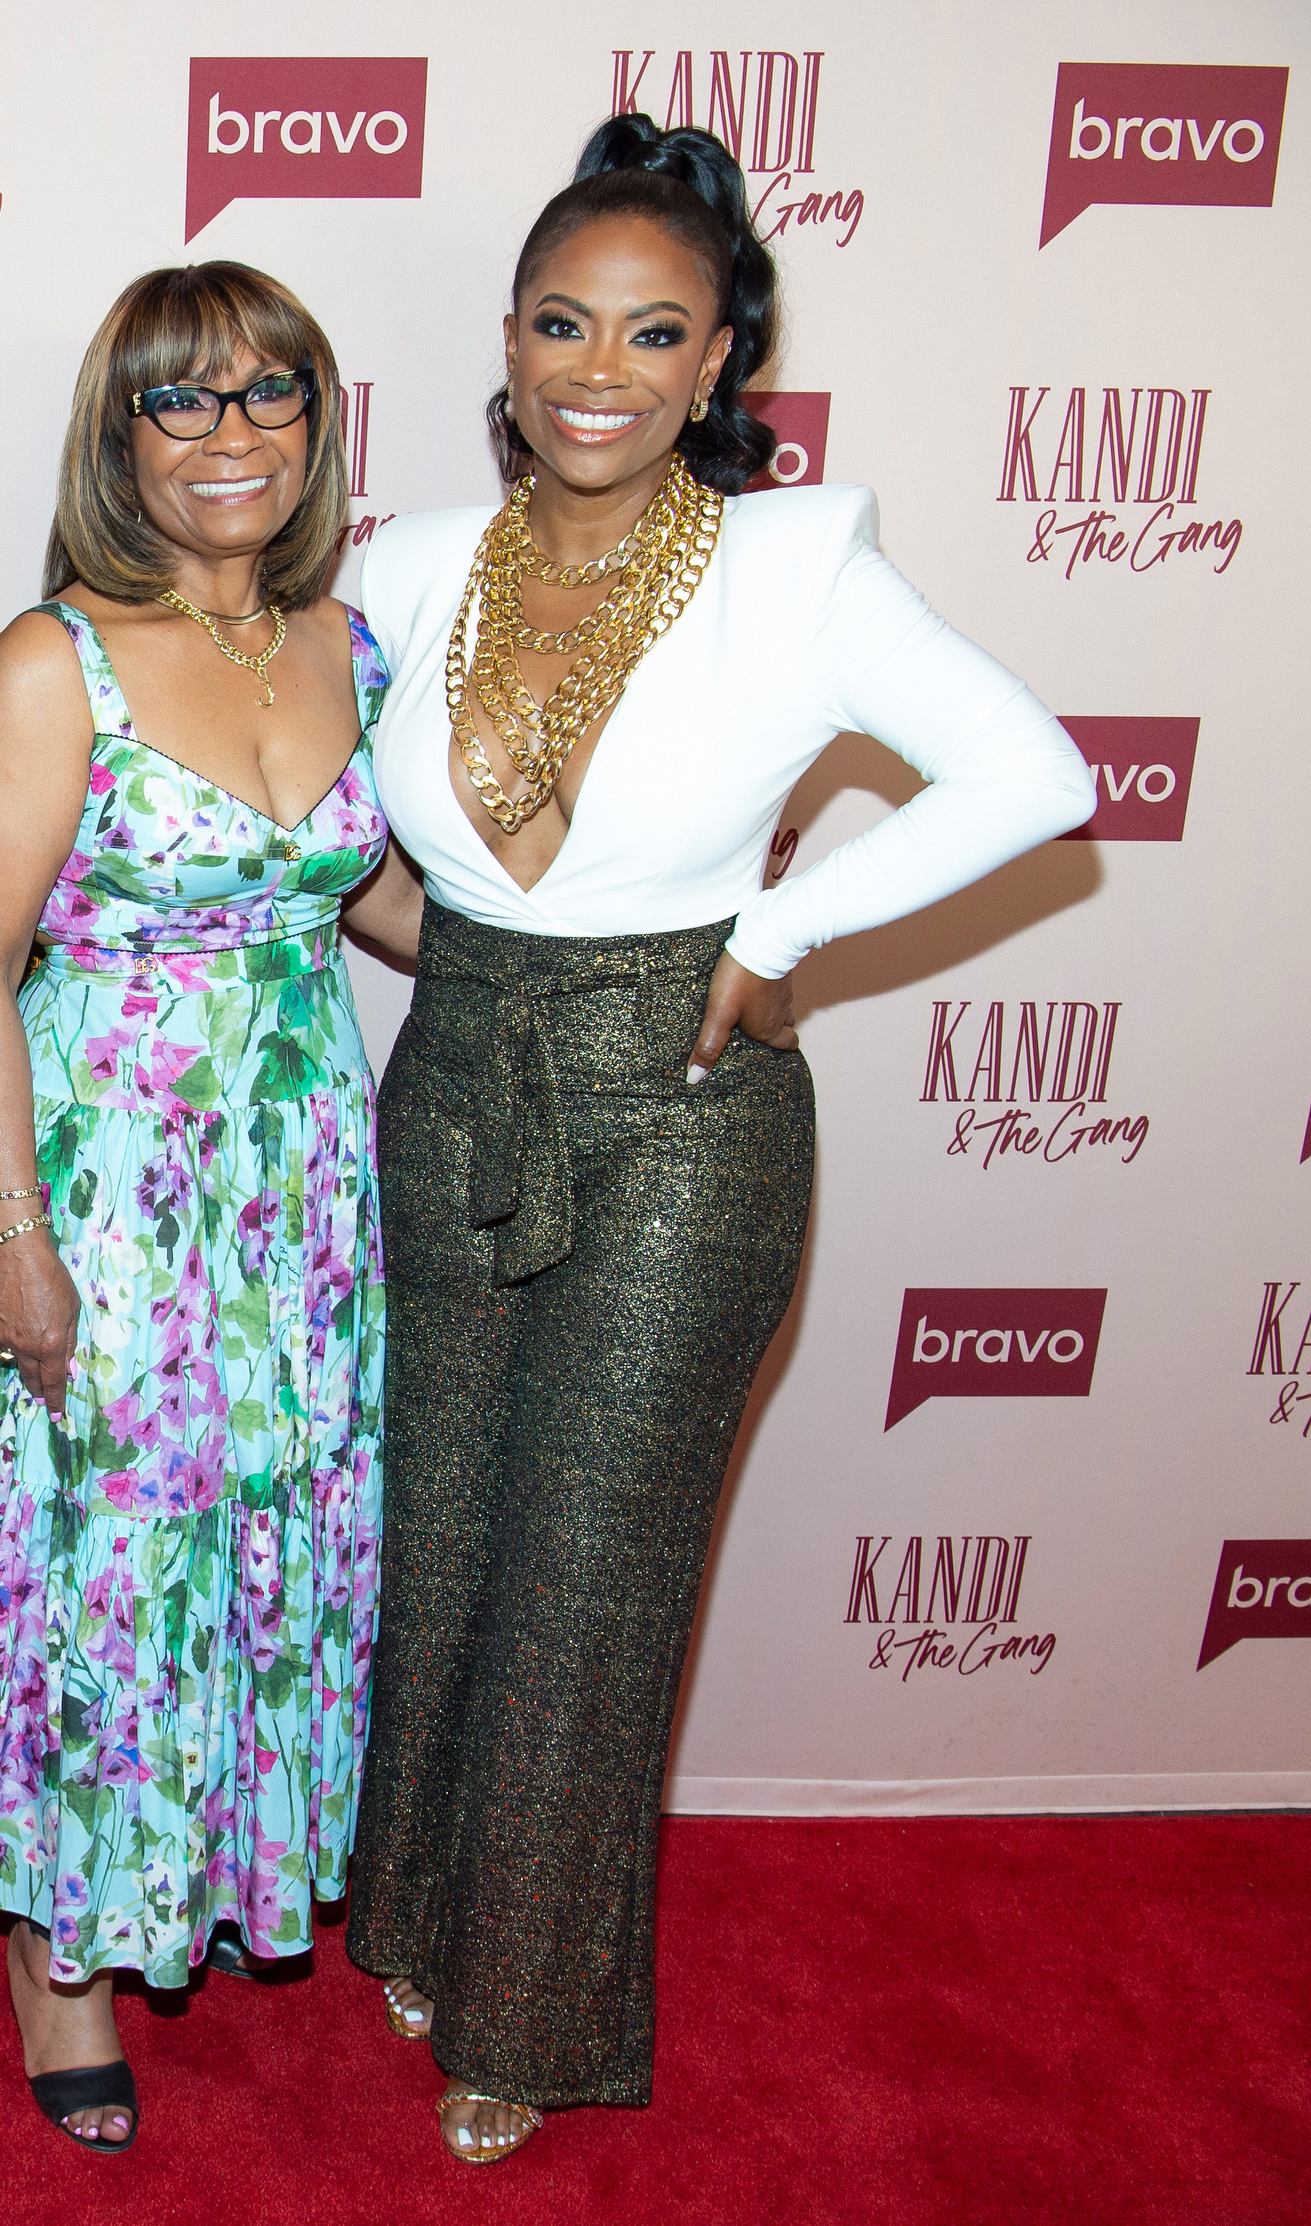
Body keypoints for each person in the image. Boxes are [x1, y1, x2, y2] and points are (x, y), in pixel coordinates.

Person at [342, 117, 1095, 2164]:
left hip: (684, 1123)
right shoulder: (409, 566)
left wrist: (782, 931)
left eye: (651, 332)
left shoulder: (791, 563)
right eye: (563, 320)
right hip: (459, 1075)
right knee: (446, 1535)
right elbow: (313, 816)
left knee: (590, 1569)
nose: (599, 367)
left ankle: (530, 2015)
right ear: (508, 338)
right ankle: (417, 1914)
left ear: (714, 362)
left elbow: (1033, 770)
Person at [0, 263, 419, 2153]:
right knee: (100, 1567)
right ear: (121, 433)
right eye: (181, 401)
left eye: (270, 395)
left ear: (316, 427)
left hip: (298, 1200)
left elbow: (377, 903)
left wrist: (631, 909)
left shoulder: (354, 645)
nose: (230, 435)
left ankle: (208, 1861)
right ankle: (64, 1965)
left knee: (257, 1549)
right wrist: (13, 1231)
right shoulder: (59, 656)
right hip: (110, 1191)